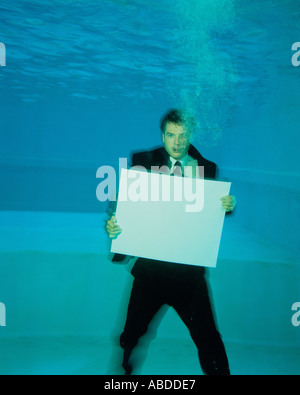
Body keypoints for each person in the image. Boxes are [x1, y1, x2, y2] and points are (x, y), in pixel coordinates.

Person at [106, 109, 236, 375]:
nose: (176, 142)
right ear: (162, 135)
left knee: (208, 339)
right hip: (150, 272)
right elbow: (123, 204)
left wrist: (226, 206)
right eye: (170, 135)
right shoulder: (142, 160)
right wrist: (113, 223)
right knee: (130, 336)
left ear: (190, 135)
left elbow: (210, 213)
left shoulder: (207, 168)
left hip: (188, 276)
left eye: (182, 135)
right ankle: (122, 376)